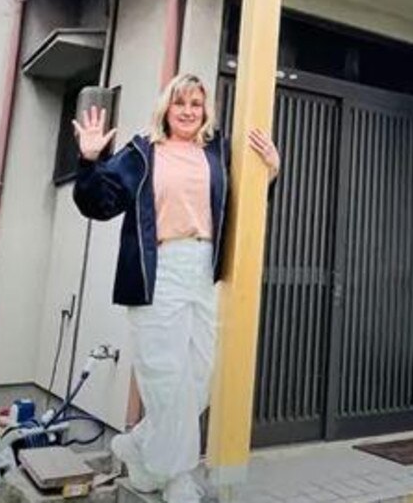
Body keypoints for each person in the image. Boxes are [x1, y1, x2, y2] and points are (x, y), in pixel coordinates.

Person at [71, 72, 280, 502]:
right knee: (165, 376)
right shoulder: (141, 153)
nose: (188, 111)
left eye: (196, 105)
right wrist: (90, 162)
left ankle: (140, 445)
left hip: (203, 268)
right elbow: (99, 204)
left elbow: (243, 206)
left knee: (199, 378)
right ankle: (179, 476)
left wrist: (270, 174)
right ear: (166, 108)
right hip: (158, 269)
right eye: (180, 103)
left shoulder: (217, 152)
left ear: (205, 111)